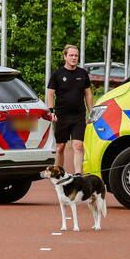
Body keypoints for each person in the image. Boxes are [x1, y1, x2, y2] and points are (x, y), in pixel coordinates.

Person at [46, 44, 93, 174]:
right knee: (60, 147)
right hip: (62, 116)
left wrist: (92, 112)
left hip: (78, 116)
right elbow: (50, 93)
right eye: (71, 55)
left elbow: (88, 94)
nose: (74, 58)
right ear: (65, 57)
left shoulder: (82, 73)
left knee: (78, 146)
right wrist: (51, 111)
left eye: (76, 55)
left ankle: (78, 175)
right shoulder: (57, 74)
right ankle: (58, 174)